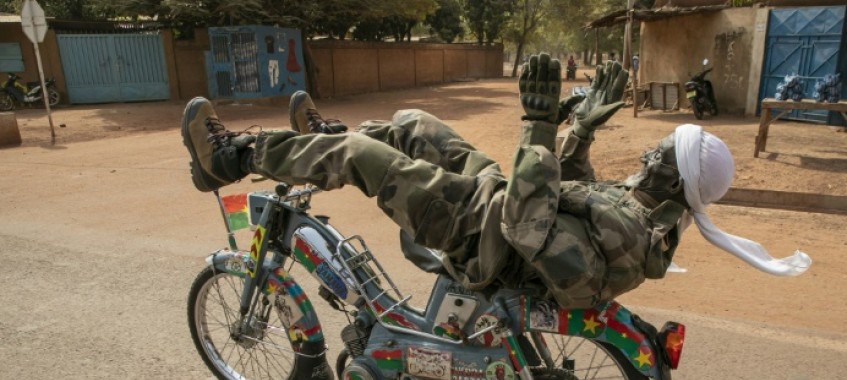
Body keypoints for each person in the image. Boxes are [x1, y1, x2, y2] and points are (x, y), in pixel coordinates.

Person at [181, 53, 810, 309]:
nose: (649, 152)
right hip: (495, 204)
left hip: (481, 237)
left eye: (662, 152)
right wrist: (580, 133)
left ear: (673, 176)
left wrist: (539, 126)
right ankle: (325, 139)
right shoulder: (642, 210)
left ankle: (230, 158)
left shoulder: (634, 226)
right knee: (415, 123)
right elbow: (572, 195)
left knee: (359, 155)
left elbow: (529, 227)